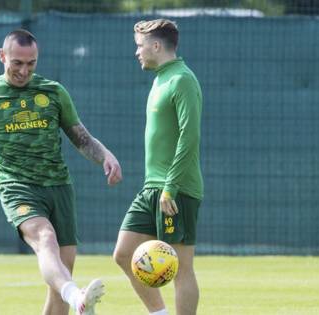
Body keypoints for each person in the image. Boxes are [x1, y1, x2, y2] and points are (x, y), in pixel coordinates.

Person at [0, 29, 122, 315]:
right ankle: (77, 297)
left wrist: (105, 155)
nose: (24, 70)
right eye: (17, 63)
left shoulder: (53, 92)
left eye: (31, 64)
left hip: (59, 187)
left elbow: (81, 137)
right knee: (45, 238)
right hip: (17, 187)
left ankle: (72, 296)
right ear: (2, 56)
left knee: (60, 280)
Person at [113, 19, 203, 315]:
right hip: (152, 186)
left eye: (139, 46)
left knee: (181, 267)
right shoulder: (159, 79)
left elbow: (189, 138)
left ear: (155, 46)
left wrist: (170, 188)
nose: (137, 52)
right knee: (124, 254)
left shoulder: (182, 79)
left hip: (175, 190)